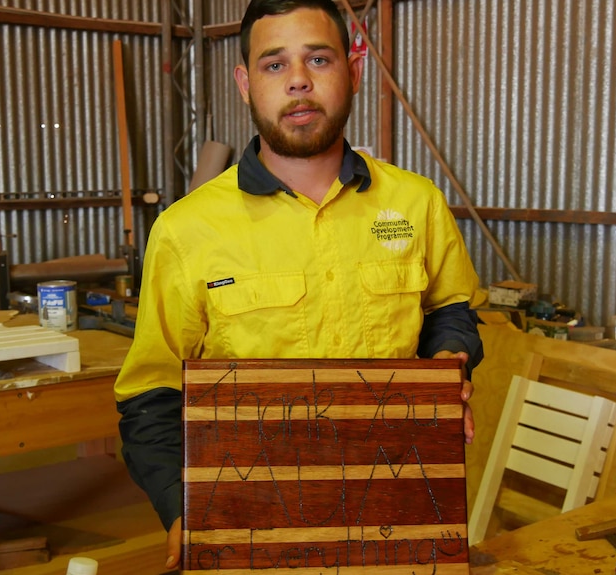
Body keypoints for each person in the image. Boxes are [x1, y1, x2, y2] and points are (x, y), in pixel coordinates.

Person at [114, 0, 483, 570]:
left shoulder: (418, 203)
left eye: (318, 58)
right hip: (247, 516)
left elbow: (449, 308)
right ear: (244, 83)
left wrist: (448, 365)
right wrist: (182, 510)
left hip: (396, 510)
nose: (299, 82)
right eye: (273, 64)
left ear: (353, 71)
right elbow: (150, 395)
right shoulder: (187, 230)